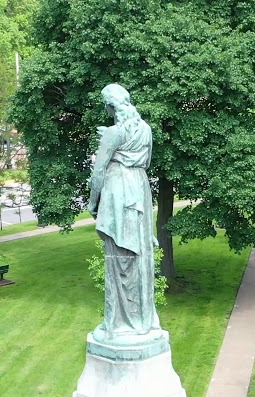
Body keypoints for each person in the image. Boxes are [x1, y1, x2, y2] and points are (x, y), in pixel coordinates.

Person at [87, 83, 160, 344]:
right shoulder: (146, 130)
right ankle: (143, 319)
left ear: (110, 106)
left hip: (118, 192)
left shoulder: (113, 133)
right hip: (139, 188)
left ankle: (118, 323)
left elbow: (98, 172)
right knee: (137, 255)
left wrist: (92, 204)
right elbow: (145, 160)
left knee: (118, 260)